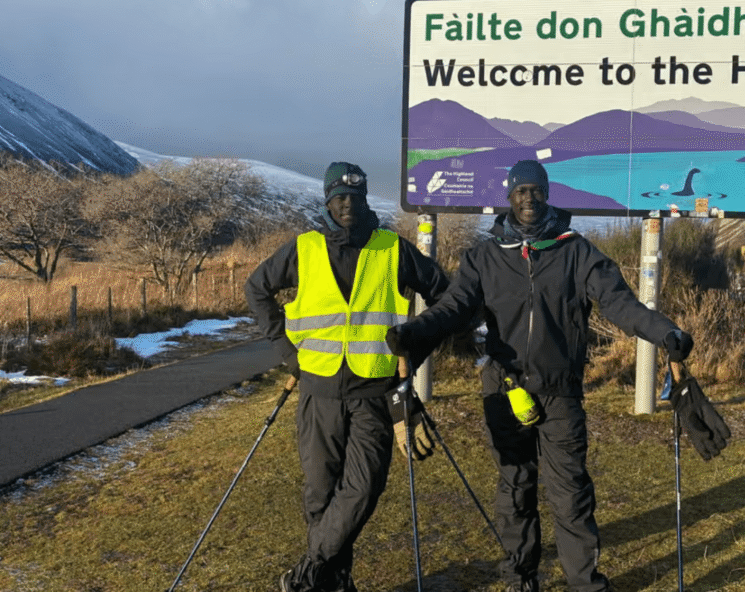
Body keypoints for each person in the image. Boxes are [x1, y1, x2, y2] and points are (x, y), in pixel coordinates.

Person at [386, 159, 697, 592]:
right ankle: (519, 578)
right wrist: (412, 334)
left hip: (560, 392)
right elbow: (453, 310)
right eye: (520, 191)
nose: (528, 199)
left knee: (570, 492)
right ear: (509, 197)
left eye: (536, 191)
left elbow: (621, 305)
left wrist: (665, 333)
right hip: (504, 390)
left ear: (546, 194)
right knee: (515, 487)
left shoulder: (577, 251)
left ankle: (584, 584)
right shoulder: (483, 257)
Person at [245, 161, 449, 592]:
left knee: (363, 490)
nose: (347, 204)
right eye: (338, 197)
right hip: (317, 392)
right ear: (327, 200)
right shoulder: (303, 248)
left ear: (365, 198)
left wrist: (413, 343)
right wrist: (287, 353)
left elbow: (447, 299)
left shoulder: (394, 248)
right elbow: (256, 289)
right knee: (321, 494)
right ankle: (334, 582)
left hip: (373, 393)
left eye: (355, 197)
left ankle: (307, 571)